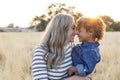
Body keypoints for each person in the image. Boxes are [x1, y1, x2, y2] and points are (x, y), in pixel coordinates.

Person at [32, 13, 90, 80]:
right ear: (61, 30)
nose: (76, 32)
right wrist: (72, 79)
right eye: (73, 28)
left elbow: (89, 70)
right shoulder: (41, 51)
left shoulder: (75, 48)